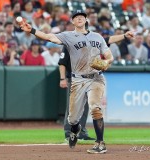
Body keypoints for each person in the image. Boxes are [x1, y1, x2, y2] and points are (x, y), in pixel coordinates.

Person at [18, 10, 115, 154]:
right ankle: (75, 131)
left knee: (95, 108)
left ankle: (100, 143)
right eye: (76, 17)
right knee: (73, 119)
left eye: (82, 16)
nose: (79, 18)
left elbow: (109, 56)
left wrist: (107, 62)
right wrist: (31, 30)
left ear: (86, 19)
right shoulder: (68, 36)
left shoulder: (97, 36)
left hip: (96, 78)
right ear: (73, 21)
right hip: (77, 80)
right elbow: (48, 36)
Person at [59, 30, 134, 141]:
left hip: (90, 78)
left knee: (86, 106)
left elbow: (108, 39)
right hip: (75, 78)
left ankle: (82, 132)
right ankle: (68, 132)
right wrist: (62, 78)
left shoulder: (93, 41)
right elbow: (62, 62)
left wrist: (124, 36)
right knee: (73, 106)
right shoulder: (70, 42)